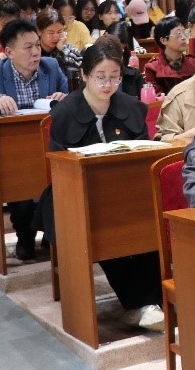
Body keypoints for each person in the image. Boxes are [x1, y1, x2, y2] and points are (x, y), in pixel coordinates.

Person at [47, 44, 163, 332]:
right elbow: (58, 167)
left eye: (114, 77)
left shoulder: (131, 107)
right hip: (75, 196)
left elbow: (144, 153)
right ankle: (141, 304)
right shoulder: (65, 112)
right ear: (84, 75)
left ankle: (148, 302)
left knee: (148, 216)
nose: (108, 84)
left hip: (127, 191)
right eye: (100, 77)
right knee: (104, 223)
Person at [0, 18, 69, 261]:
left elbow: (75, 101)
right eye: (28, 47)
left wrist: (64, 99)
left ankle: (50, 233)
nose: (35, 52)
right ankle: (25, 236)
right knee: (20, 191)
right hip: (13, 153)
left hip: (48, 146)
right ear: (9, 52)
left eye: (37, 45)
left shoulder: (51, 67)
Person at [142, 15, 195, 95]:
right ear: (164, 40)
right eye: (178, 34)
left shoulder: (194, 63)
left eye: (184, 32)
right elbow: (157, 98)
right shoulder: (152, 68)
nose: (183, 37)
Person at [37, 8, 83, 89]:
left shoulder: (65, 47)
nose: (56, 37)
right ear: (39, 31)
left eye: (59, 32)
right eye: (51, 33)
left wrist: (62, 50)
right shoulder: (34, 50)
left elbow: (80, 67)